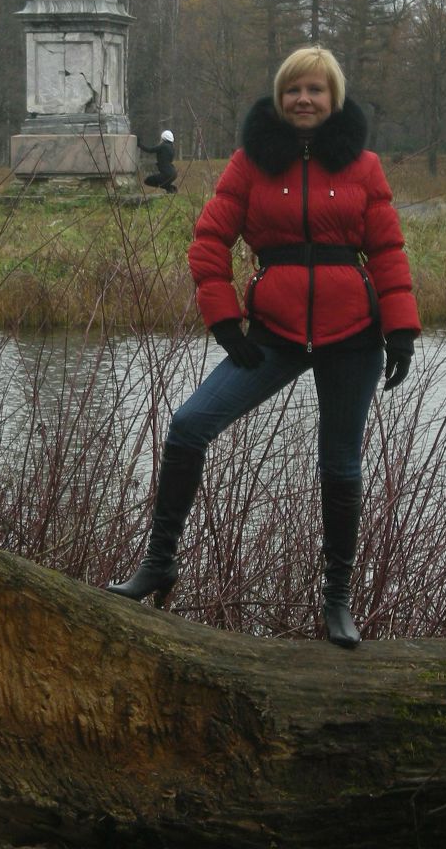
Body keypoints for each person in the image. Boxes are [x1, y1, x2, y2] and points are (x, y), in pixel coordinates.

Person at [109, 47, 420, 648]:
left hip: (353, 337)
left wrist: (401, 330)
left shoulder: (364, 167)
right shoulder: (250, 165)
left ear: (334, 99)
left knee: (341, 466)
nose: (304, 99)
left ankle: (337, 602)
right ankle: (159, 563)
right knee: (188, 426)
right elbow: (209, 242)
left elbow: (387, 252)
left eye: (316, 91)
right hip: (272, 335)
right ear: (280, 99)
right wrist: (225, 322)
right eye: (293, 90)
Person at [138, 128, 177, 193]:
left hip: (166, 174)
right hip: (173, 173)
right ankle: (170, 189)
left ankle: (170, 188)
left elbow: (149, 150)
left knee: (148, 181)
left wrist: (139, 144)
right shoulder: (171, 147)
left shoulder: (163, 146)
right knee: (162, 183)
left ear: (163, 138)